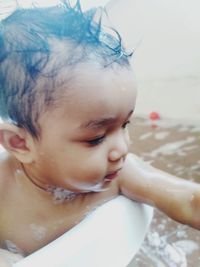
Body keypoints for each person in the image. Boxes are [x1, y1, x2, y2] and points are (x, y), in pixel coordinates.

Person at [0, 1, 200, 265]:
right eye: (96, 138)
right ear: (19, 143)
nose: (123, 148)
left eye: (126, 125)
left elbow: (188, 200)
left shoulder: (122, 175)